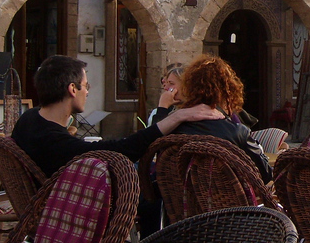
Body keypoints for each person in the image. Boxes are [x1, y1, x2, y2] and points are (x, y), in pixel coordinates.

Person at [12, 55, 221, 176]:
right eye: (86, 86)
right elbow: (121, 150)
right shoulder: (54, 142)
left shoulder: (28, 119)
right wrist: (175, 116)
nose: (88, 91)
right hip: (68, 212)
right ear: (72, 89)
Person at [173, 55, 272, 183]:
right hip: (233, 201)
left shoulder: (173, 128)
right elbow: (265, 175)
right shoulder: (237, 132)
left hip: (181, 200)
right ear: (227, 90)